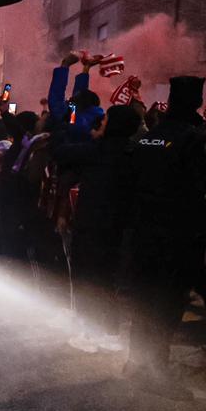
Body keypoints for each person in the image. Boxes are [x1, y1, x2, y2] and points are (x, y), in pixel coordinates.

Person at [123, 75, 206, 398]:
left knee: (145, 300)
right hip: (175, 236)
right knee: (167, 303)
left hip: (143, 232)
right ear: (196, 102)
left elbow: (131, 182)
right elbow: (200, 192)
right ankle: (156, 371)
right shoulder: (194, 139)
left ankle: (136, 362)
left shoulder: (150, 136)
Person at [56, 103, 141, 353]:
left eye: (105, 121)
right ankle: (111, 331)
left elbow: (60, 151)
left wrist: (66, 123)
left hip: (91, 225)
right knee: (109, 279)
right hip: (119, 226)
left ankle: (90, 332)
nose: (100, 124)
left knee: (87, 277)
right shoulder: (133, 153)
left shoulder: (96, 151)